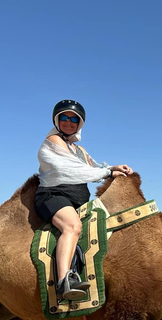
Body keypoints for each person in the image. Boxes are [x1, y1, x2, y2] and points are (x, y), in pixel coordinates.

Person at [35, 99, 133, 300]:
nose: (68, 122)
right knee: (72, 227)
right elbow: (71, 170)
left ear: (80, 124)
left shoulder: (80, 150)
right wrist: (107, 173)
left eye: (74, 119)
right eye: (64, 117)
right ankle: (64, 283)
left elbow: (93, 169)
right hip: (54, 196)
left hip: (78, 199)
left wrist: (114, 168)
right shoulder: (53, 142)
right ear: (57, 120)